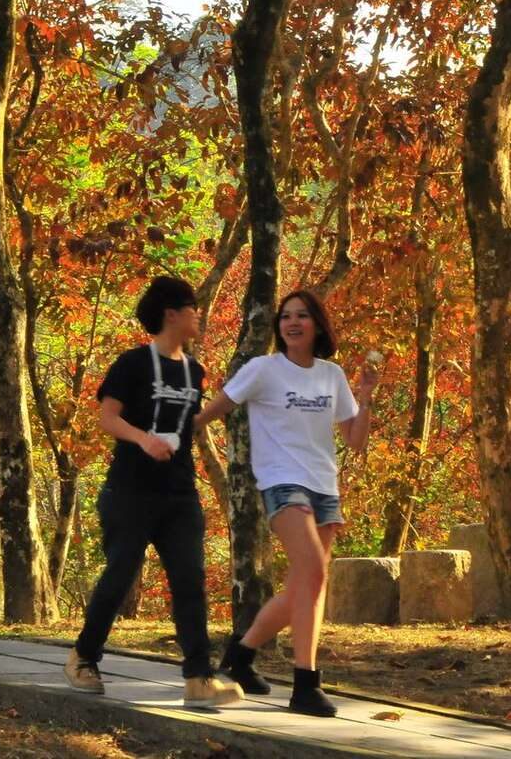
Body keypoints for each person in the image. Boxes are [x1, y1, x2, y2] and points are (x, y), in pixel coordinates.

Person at [194, 288, 377, 717]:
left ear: (317, 325)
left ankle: (239, 659)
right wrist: (177, 431)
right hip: (281, 482)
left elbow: (356, 440)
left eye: (302, 316)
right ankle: (305, 684)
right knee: (313, 574)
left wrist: (365, 396)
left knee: (302, 585)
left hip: (324, 487)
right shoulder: (264, 369)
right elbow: (217, 408)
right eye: (285, 316)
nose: (291, 323)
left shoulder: (331, 375)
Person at [62, 276, 244, 709]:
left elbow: (188, 424)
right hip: (130, 490)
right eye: (193, 308)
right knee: (120, 574)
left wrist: (224, 407)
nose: (199, 315)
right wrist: (144, 439)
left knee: (189, 581)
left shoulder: (194, 372)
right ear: (171, 314)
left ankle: (200, 678)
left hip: (179, 494)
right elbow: (107, 418)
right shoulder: (133, 364)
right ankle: (83, 657)